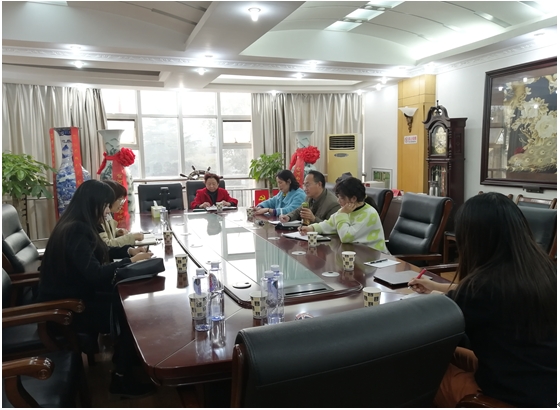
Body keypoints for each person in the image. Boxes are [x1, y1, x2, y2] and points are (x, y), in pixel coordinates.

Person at [408, 192, 556, 407]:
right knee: (454, 354)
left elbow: (430, 324)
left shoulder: (482, 287)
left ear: (472, 238)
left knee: (414, 367)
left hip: (511, 398)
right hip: (546, 388)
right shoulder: (544, 271)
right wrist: (436, 287)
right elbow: (482, 299)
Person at [38, 180, 156, 398]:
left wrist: (128, 252)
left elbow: (99, 252)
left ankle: (127, 359)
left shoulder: (77, 223)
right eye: (105, 206)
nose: (108, 211)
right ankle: (121, 378)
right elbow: (95, 274)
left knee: (127, 299)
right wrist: (129, 263)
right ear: (93, 204)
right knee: (130, 312)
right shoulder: (75, 230)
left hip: (76, 294)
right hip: (68, 308)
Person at [299, 177, 387, 252]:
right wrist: (311, 228)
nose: (338, 201)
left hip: (372, 256)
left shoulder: (369, 214)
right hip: (355, 253)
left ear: (353, 198)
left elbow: (346, 237)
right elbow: (329, 224)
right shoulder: (346, 210)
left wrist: (342, 214)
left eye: (341, 198)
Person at [100, 180, 144, 246]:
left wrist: (117, 232)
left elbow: (108, 231)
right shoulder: (99, 218)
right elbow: (107, 245)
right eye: (120, 199)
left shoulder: (108, 214)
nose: (122, 204)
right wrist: (132, 237)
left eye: (123, 200)